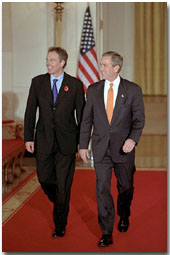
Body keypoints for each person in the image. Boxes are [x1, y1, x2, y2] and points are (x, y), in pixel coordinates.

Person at [79, 51, 145, 247]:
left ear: (116, 68)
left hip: (124, 149)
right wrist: (83, 145)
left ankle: (124, 214)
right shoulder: (92, 90)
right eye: (101, 64)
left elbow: (139, 120)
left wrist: (133, 139)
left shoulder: (132, 90)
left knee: (125, 187)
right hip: (100, 149)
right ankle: (106, 232)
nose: (101, 68)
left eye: (105, 65)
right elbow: (86, 120)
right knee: (102, 188)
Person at [24, 47, 85, 238]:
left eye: (52, 60)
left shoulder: (75, 84)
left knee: (63, 187)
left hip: (67, 143)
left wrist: (82, 143)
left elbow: (82, 116)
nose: (47, 63)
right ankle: (59, 201)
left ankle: (60, 224)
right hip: (43, 141)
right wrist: (28, 138)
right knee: (44, 179)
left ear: (62, 63)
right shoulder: (38, 82)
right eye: (47, 60)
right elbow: (30, 112)